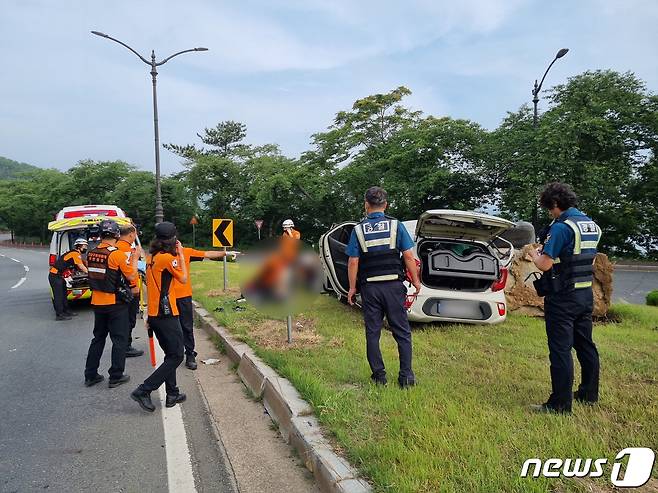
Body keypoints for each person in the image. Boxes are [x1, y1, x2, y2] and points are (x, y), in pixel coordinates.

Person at [529, 182, 602, 414]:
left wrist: (533, 255)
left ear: (555, 204)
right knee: (585, 345)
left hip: (562, 297)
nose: (550, 213)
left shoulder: (561, 228)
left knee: (560, 350)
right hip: (584, 294)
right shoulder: (591, 225)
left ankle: (559, 404)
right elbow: (589, 260)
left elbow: (545, 264)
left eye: (550, 208)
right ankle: (588, 393)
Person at [346, 186, 421, 388]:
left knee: (373, 332)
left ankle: (379, 377)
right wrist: (415, 280)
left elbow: (353, 261)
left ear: (366, 205)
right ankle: (406, 377)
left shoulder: (358, 230)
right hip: (394, 287)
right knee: (402, 331)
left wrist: (352, 288)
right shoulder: (397, 226)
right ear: (385, 205)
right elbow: (408, 256)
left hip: (370, 289)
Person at [131, 222, 188, 413]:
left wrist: (148, 314)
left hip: (155, 314)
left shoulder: (150, 257)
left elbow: (151, 288)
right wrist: (180, 254)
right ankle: (144, 390)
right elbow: (183, 279)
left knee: (170, 354)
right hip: (167, 313)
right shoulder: (166, 258)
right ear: (173, 239)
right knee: (177, 355)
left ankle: (172, 393)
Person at [84, 220, 137, 388]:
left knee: (98, 338)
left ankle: (90, 375)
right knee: (119, 340)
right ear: (116, 235)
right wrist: (135, 258)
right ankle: (115, 376)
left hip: (97, 302)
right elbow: (131, 276)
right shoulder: (116, 254)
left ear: (100, 234)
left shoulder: (91, 253)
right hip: (115, 303)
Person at [174, 245, 233, 370]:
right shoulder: (160, 255)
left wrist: (224, 253)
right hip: (166, 297)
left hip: (183, 296)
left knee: (187, 326)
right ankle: (173, 354)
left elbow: (206, 253)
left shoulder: (185, 252)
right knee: (171, 328)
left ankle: (190, 354)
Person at [116, 223, 145, 358]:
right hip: (129, 289)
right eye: (135, 234)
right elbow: (130, 271)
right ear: (131, 234)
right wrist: (134, 287)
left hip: (118, 290)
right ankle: (126, 346)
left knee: (122, 319)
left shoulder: (115, 247)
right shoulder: (127, 250)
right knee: (129, 320)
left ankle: (123, 345)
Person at [48, 238, 89, 321]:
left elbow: (83, 263)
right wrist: (90, 274)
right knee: (58, 296)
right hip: (55, 276)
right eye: (84, 246)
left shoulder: (74, 254)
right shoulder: (75, 254)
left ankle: (66, 311)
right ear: (79, 246)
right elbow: (81, 266)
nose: (86, 248)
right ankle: (59, 315)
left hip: (59, 276)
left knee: (64, 295)